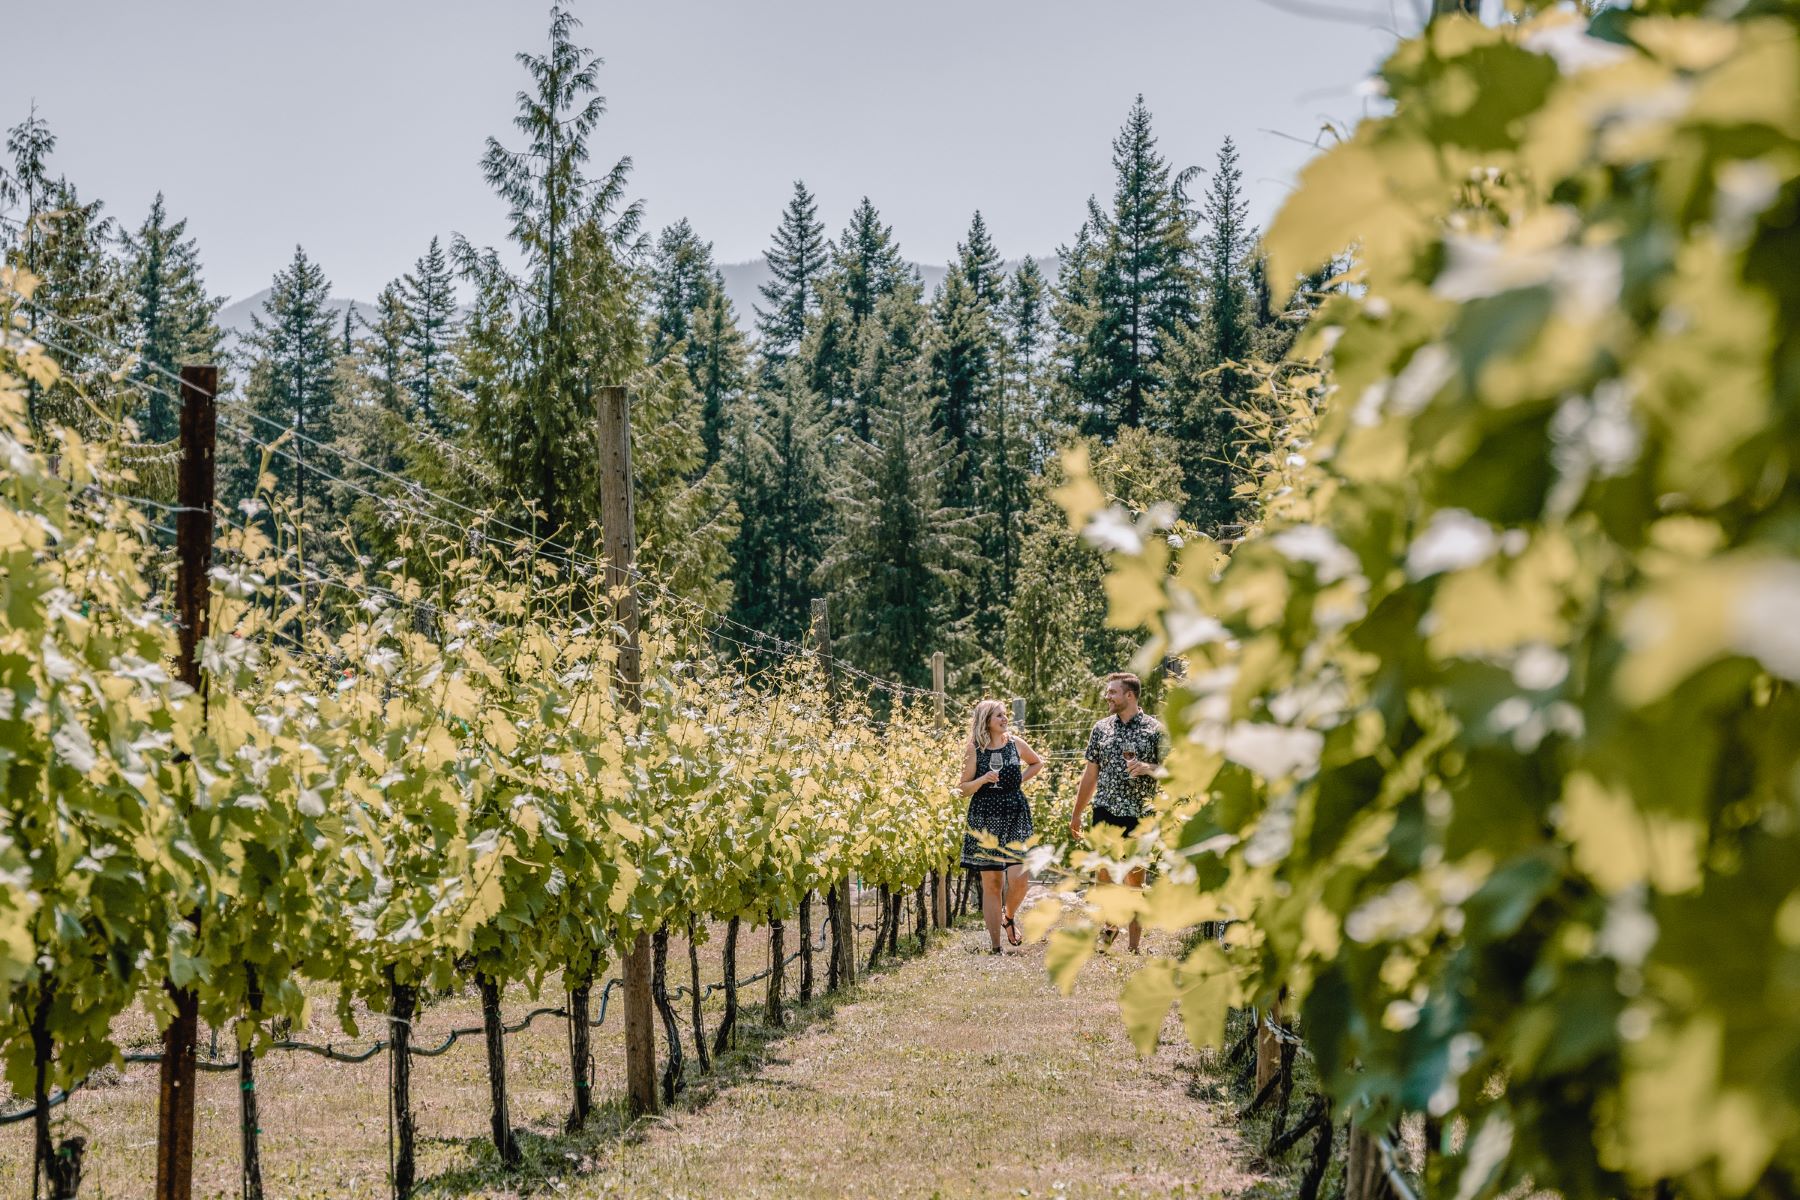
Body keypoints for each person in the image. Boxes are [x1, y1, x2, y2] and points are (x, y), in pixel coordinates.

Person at [1068, 672, 1165, 953]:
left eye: (1112, 692)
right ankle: (1108, 933)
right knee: (1105, 877)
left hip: (1140, 814)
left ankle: (1134, 947)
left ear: (1129, 695)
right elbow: (1090, 775)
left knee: (1134, 880)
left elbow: (1172, 770)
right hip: (1105, 810)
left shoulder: (1155, 730)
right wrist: (1077, 813)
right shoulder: (1101, 729)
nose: (1107, 696)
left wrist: (1147, 768)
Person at [957, 698, 1044, 953]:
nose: (1005, 719)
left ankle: (1009, 916)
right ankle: (996, 947)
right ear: (986, 721)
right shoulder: (974, 749)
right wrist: (983, 779)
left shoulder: (1015, 743)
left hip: (1015, 814)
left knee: (1020, 878)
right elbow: (962, 789)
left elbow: (1037, 762)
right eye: (999, 715)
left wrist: (1018, 782)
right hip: (985, 817)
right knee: (993, 883)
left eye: (1005, 714)